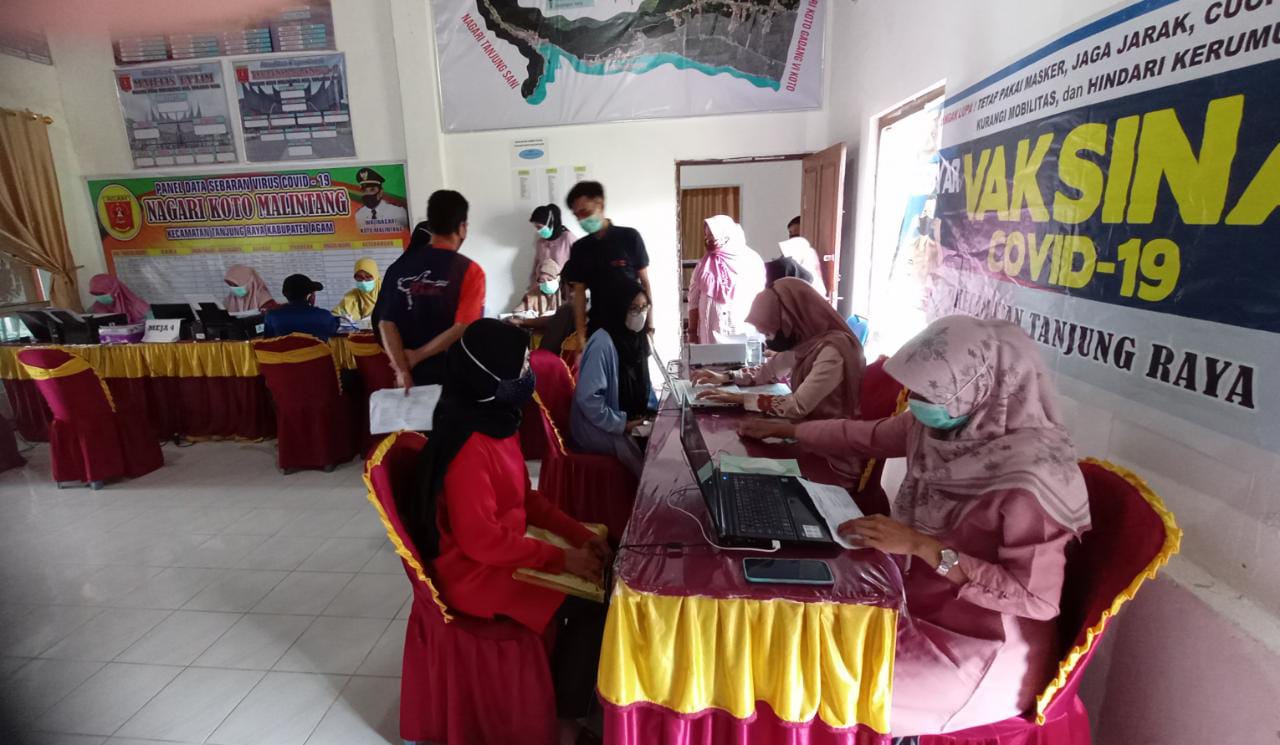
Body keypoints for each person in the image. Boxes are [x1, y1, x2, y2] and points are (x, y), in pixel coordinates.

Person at [739, 316, 1091, 736]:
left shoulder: (1033, 476)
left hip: (980, 651)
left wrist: (923, 547)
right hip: (913, 602)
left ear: (980, 386)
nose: (919, 403)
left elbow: (1036, 599)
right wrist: (791, 431)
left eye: (931, 393)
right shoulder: (940, 425)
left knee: (809, 687)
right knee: (788, 638)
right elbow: (866, 436)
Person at [405, 318, 611, 743]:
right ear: (486, 375)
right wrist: (563, 559)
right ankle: (565, 724)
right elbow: (480, 541)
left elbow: (526, 500)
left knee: (607, 573)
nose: (527, 374)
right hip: (476, 575)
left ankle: (569, 694)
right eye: (520, 367)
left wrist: (580, 536)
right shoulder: (468, 445)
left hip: (502, 554)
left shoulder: (495, 419)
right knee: (593, 608)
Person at [694, 277, 864, 424]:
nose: (768, 340)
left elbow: (798, 406)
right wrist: (726, 377)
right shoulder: (806, 342)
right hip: (808, 428)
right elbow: (769, 371)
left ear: (792, 318)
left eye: (770, 332)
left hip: (829, 439)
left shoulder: (833, 350)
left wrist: (739, 399)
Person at [377, 190, 486, 390]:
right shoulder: (470, 270)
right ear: (462, 228)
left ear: (431, 225)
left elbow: (386, 323)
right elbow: (463, 327)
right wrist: (416, 356)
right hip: (454, 377)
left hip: (410, 380)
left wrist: (402, 370)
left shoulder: (398, 268)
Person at [570, 277, 652, 477]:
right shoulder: (602, 343)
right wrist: (621, 424)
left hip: (626, 418)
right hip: (597, 424)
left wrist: (651, 413)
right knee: (643, 463)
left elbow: (644, 384)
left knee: (661, 439)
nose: (640, 314)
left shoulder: (638, 338)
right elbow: (588, 398)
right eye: (633, 308)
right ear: (619, 308)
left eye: (644, 307)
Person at [562, 181, 651, 345]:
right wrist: (581, 338)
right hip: (599, 329)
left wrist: (650, 327)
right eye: (577, 215)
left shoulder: (629, 237)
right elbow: (579, 296)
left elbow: (645, 283)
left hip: (632, 327)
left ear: (600, 205)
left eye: (585, 212)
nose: (581, 219)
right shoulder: (580, 248)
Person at [687, 215, 766, 345]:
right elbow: (693, 302)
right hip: (710, 335)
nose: (709, 240)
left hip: (742, 333)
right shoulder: (703, 265)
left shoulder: (751, 260)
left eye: (713, 236)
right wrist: (692, 334)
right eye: (706, 237)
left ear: (726, 234)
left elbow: (761, 298)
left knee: (742, 357)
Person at [263, 274, 340, 340]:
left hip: (286, 353)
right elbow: (333, 329)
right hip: (317, 353)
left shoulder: (272, 316)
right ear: (309, 296)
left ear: (285, 294)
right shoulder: (324, 316)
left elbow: (268, 340)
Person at [528, 203, 573, 290]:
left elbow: (580, 263)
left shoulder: (567, 238)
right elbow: (536, 266)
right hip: (544, 288)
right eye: (536, 228)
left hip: (566, 288)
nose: (538, 231)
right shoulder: (540, 243)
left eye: (540, 227)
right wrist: (533, 286)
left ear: (551, 224)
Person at [353, 167, 408, 234]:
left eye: (372, 190)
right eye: (364, 190)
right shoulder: (359, 215)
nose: (368, 194)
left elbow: (404, 235)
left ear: (380, 192)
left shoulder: (397, 212)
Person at [332, 257, 381, 321]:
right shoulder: (351, 296)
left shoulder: (388, 294)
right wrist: (341, 319)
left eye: (368, 277)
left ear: (376, 276)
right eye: (359, 277)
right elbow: (334, 315)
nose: (363, 281)